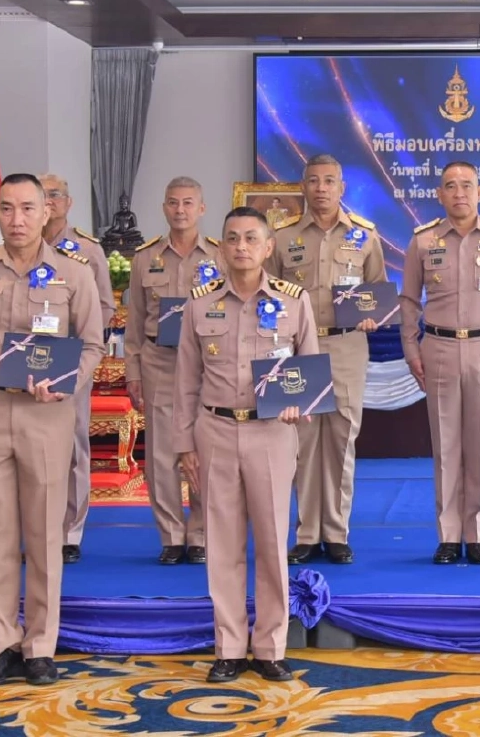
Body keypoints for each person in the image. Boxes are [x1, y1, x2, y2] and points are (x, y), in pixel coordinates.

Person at [0, 174, 104, 686]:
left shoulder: (73, 275)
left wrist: (67, 387)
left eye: (28, 208)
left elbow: (93, 345)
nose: (16, 219)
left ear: (46, 211)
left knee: (44, 531)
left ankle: (41, 646)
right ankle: (3, 640)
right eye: (6, 208)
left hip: (46, 415)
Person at [172, 207, 318, 683]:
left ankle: (271, 645)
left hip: (272, 432)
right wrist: (183, 444)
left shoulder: (295, 302)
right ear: (221, 247)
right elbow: (185, 382)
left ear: (268, 246)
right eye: (232, 238)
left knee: (274, 543)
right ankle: (229, 647)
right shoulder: (200, 304)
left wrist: (300, 401)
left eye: (251, 238)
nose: (241, 247)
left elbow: (310, 370)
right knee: (222, 544)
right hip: (214, 431)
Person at [401, 161, 480, 565]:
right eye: (450, 186)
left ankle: (479, 531)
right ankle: (449, 535)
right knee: (446, 445)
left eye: (467, 185)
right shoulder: (423, 241)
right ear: (439, 195)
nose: (459, 193)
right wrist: (410, 347)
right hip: (438, 347)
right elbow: (408, 301)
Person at [267, 154, 384, 565]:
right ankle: (306, 531)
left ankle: (336, 531)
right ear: (303, 186)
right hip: (297, 349)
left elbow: (377, 292)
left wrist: (373, 315)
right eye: (313, 180)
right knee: (300, 441)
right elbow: (267, 296)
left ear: (342, 188)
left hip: (346, 347)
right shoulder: (280, 238)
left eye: (329, 181)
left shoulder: (365, 236)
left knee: (340, 440)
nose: (321, 188)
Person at [125, 177, 220, 565]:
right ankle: (171, 535)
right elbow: (133, 323)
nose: (180, 210)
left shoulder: (220, 256)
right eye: (172, 203)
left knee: (204, 449)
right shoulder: (145, 258)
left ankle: (199, 533)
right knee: (162, 454)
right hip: (159, 362)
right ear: (164, 208)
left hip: (207, 364)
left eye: (187, 203)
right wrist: (132, 371)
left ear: (202, 208)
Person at [38, 173, 115, 564]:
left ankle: (70, 531)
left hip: (71, 360)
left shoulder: (87, 249)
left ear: (67, 203)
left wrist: (84, 350)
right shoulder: (18, 247)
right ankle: (36, 529)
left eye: (54, 195)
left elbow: (104, 307)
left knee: (72, 446)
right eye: (41, 195)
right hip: (26, 364)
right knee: (30, 449)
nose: (48, 202)